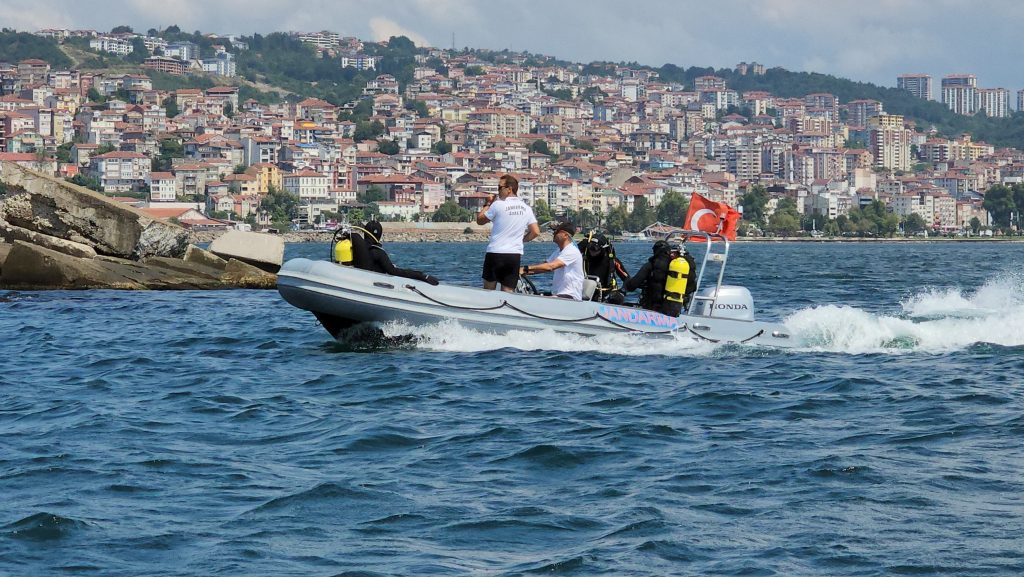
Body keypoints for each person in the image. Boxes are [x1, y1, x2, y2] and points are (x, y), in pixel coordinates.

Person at [476, 174, 541, 292]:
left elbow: (480, 220)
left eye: (500, 187)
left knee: (488, 291)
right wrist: (522, 240)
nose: (498, 191)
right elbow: (535, 231)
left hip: (496, 253)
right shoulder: (526, 208)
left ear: (509, 189)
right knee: (508, 292)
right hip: (514, 255)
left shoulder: (498, 204)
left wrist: (488, 203)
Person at [353, 220, 440, 285]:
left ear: (365, 232)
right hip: (372, 285)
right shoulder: (378, 252)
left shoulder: (354, 246)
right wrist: (420, 275)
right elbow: (394, 271)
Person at [624, 240, 696, 316]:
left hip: (651, 308)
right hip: (674, 308)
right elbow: (693, 288)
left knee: (625, 304)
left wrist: (626, 281)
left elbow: (632, 286)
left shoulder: (651, 265)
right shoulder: (676, 266)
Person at [519, 220, 585, 300]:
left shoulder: (571, 251)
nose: (554, 233)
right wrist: (520, 272)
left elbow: (551, 266)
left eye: (557, 231)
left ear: (565, 235)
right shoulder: (558, 251)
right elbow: (544, 267)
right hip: (558, 294)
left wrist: (525, 268)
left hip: (570, 296)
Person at [577, 231, 630, 304]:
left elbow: (627, 278)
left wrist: (622, 292)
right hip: (586, 292)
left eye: (595, 248)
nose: (592, 251)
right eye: (590, 247)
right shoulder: (585, 257)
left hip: (606, 295)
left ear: (602, 248)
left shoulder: (611, 261)